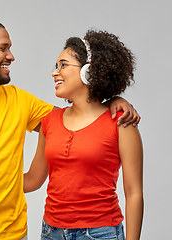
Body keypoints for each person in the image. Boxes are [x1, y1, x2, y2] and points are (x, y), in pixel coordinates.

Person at [0, 18, 140, 240]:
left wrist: (113, 101)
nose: (11, 56)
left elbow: (80, 118)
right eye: (2, 48)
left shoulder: (19, 100)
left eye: (10, 48)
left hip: (14, 234)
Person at [24, 29, 144, 240]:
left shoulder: (121, 122)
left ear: (88, 71)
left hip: (101, 233)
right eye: (55, 66)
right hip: (51, 232)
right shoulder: (49, 121)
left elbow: (134, 193)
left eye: (63, 65)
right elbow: (33, 180)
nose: (55, 72)